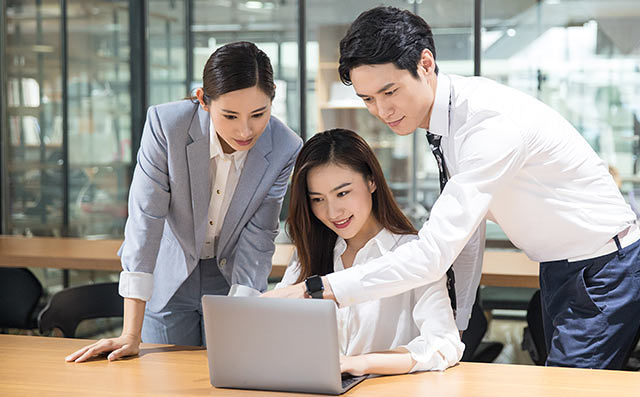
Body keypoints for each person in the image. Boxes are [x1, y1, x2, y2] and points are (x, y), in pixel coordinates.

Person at [264, 7, 640, 370]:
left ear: (425, 64)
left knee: (566, 385)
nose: (381, 111)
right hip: (559, 264)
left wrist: (318, 289)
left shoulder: (487, 125)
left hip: (604, 264)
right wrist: (459, 324)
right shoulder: (447, 121)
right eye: (368, 99)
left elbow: (433, 254)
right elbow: (467, 235)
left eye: (389, 91)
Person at [66, 41, 302, 362]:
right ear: (203, 100)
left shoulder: (285, 146)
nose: (245, 130)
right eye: (230, 115)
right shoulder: (168, 126)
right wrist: (130, 333)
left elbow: (259, 235)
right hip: (169, 274)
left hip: (232, 275)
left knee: (229, 373)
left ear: (273, 94)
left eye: (258, 114)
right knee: (165, 380)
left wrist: (242, 310)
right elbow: (145, 220)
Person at [275, 128, 463, 375]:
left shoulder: (413, 254)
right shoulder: (311, 250)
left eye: (342, 193)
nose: (333, 212)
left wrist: (361, 363)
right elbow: (277, 325)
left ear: (371, 180)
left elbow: (443, 345)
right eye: (318, 199)